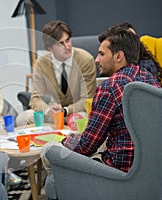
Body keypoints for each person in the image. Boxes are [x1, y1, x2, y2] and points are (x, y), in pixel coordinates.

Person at [62, 26, 161, 172]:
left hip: (119, 171)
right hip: (152, 169)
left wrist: (66, 139)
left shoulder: (109, 87)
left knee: (49, 151)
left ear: (118, 56)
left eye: (101, 54)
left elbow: (86, 146)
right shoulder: (150, 79)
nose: (96, 60)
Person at [16, 20, 97, 126]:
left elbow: (87, 99)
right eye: (60, 43)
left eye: (67, 40)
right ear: (50, 48)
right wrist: (48, 111)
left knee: (82, 119)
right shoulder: (41, 63)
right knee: (22, 118)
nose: (67, 46)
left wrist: (65, 111)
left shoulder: (86, 60)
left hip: (76, 113)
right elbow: (35, 98)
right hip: (52, 115)